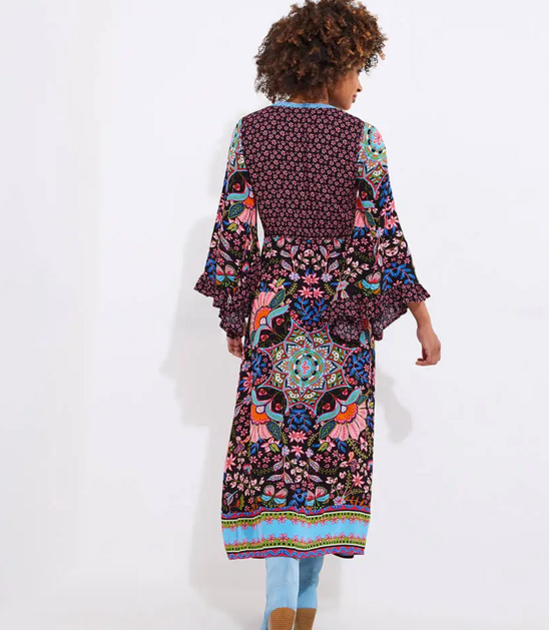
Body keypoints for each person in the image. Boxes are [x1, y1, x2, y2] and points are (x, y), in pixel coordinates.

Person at [193, 1, 440, 628]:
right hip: (341, 321)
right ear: (329, 67)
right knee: (328, 458)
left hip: (274, 318)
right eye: (357, 70)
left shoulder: (251, 133)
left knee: (277, 455)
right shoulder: (362, 139)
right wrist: (422, 319)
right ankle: (298, 613)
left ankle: (282, 608)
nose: (359, 85)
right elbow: (386, 234)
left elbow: (232, 232)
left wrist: (236, 318)